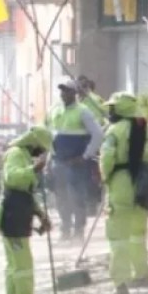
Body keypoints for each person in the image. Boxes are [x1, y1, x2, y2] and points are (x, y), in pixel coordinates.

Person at [100, 91, 148, 294]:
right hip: (144, 186)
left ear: (120, 108)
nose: (110, 111)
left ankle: (120, 283)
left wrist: (105, 177)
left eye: (113, 107)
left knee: (118, 236)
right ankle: (143, 274)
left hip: (121, 184)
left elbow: (107, 158)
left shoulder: (114, 130)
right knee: (138, 235)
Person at [0, 127, 53, 294]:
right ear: (33, 143)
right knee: (23, 265)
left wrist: (41, 214)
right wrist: (33, 169)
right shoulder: (15, 154)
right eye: (41, 148)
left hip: (19, 212)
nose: (41, 152)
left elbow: (27, 192)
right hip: (12, 214)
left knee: (16, 265)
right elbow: (12, 178)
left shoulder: (25, 157)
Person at [45, 81, 104, 240]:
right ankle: (65, 231)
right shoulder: (55, 110)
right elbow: (49, 136)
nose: (64, 94)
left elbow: (98, 134)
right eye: (62, 91)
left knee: (77, 197)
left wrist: (85, 156)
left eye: (68, 91)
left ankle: (78, 232)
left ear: (75, 93)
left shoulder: (83, 112)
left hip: (76, 163)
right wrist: (49, 159)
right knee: (61, 198)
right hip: (59, 162)